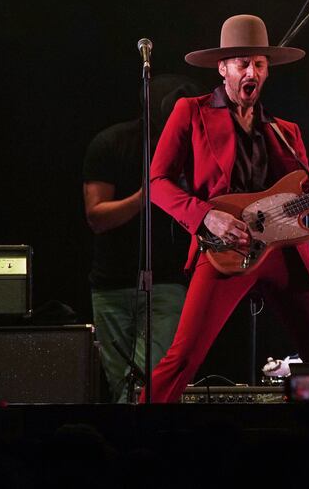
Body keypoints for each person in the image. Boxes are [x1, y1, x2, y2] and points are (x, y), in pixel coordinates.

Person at [145, 14, 309, 403]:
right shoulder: (192, 111)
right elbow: (157, 183)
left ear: (267, 71)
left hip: (285, 253)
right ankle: (138, 431)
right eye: (242, 63)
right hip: (227, 249)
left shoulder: (285, 131)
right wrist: (205, 216)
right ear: (223, 68)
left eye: (259, 64)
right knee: (183, 358)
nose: (251, 71)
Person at [82, 74, 204, 402]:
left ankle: (140, 447)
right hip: (112, 285)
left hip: (166, 283)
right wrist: (145, 197)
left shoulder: (192, 148)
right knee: (121, 385)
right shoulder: (110, 143)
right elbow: (97, 217)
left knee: (150, 384)